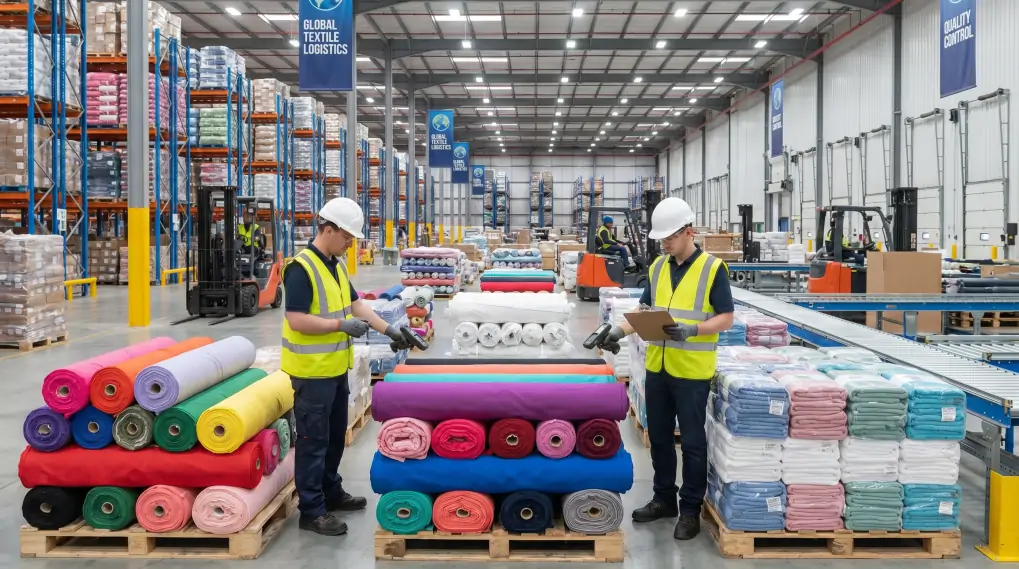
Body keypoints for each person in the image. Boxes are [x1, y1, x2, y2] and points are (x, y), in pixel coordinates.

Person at [590, 197, 734, 541]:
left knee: (693, 444)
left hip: (692, 371)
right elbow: (644, 312)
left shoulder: (713, 269)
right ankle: (664, 499)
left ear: (689, 232)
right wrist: (617, 331)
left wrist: (693, 329)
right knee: (659, 438)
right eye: (661, 239)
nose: (664, 244)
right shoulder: (657, 268)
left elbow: (727, 317)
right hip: (658, 367)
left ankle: (690, 510)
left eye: (670, 237)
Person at [282, 197, 418, 536]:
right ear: (328, 229)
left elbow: (357, 305)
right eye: (346, 237)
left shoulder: (336, 265)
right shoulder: (301, 268)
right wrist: (339, 326)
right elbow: (296, 319)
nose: (349, 244)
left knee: (333, 440)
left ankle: (330, 492)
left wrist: (391, 331)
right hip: (311, 373)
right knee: (313, 442)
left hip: (334, 369)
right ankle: (312, 510)